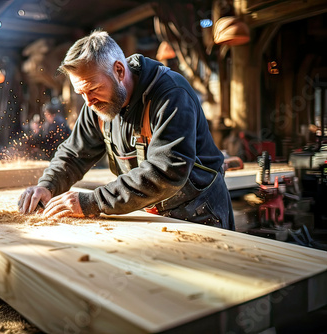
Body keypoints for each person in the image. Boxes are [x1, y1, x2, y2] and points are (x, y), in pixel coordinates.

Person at [19, 30, 234, 230]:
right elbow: (74, 155)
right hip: (150, 212)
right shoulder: (95, 104)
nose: (89, 102)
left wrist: (93, 202)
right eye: (81, 93)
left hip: (199, 212)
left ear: (119, 71)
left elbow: (167, 171)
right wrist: (48, 186)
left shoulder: (171, 94)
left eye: (93, 89)